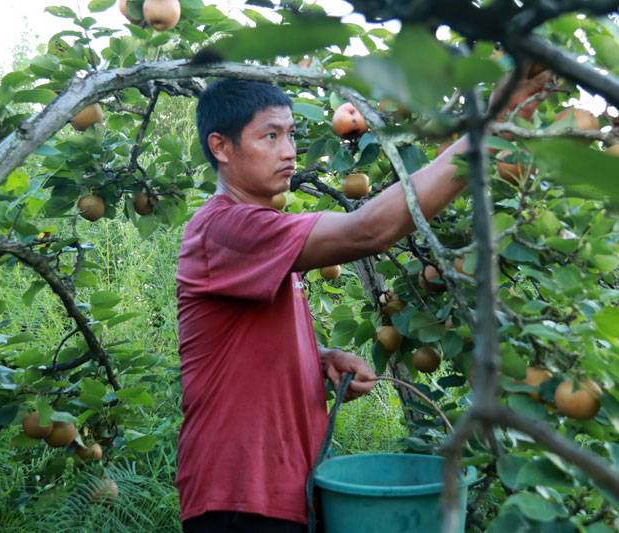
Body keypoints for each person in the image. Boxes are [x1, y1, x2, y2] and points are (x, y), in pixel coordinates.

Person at [175, 71, 548, 532]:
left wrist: (316, 360)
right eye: (269, 136)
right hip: (239, 496)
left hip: (281, 489)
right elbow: (368, 230)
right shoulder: (226, 228)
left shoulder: (254, 231)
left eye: (291, 134)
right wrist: (484, 138)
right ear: (221, 147)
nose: (289, 151)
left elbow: (233, 346)